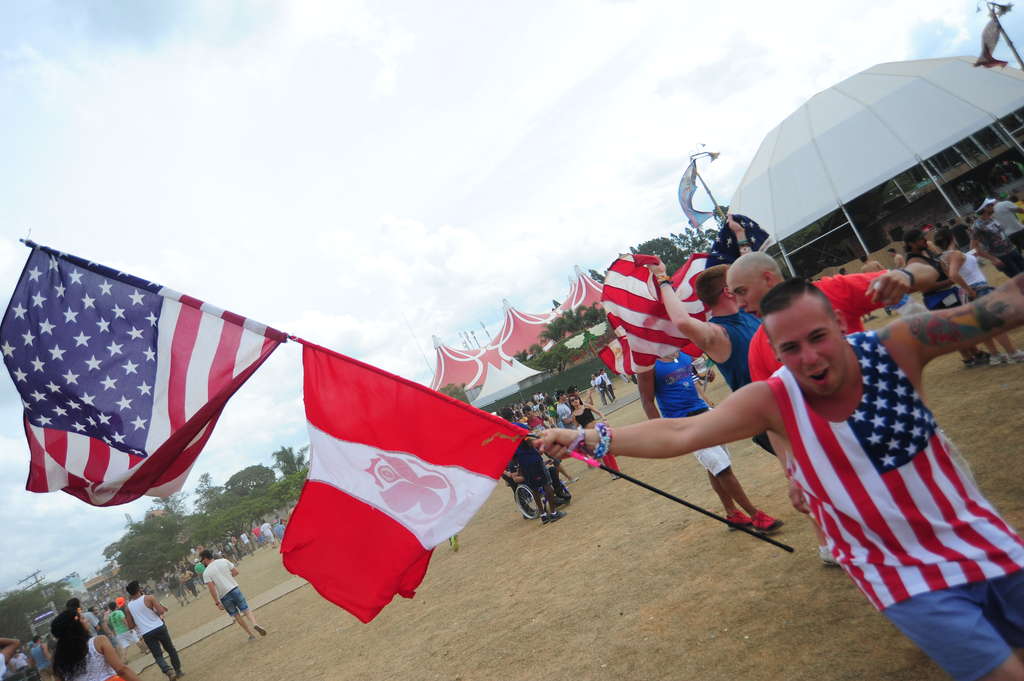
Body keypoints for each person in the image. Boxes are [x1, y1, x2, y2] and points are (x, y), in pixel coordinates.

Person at [538, 274, 1024, 681]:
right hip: (903, 577)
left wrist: (914, 274)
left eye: (818, 338)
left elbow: (1003, 304)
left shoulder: (897, 347)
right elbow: (681, 432)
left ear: (839, 324)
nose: (810, 358)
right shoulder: (773, 399)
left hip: (986, 542)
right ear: (773, 349)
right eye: (790, 348)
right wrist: (584, 438)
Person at [725, 251, 942, 383]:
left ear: (768, 279)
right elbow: (774, 417)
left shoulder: (831, 291)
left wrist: (905, 275)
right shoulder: (757, 348)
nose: (740, 304)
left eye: (742, 291)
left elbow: (928, 273)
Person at [650, 349, 782, 532]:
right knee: (722, 467)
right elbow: (647, 401)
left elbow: (694, 378)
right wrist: (659, 431)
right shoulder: (649, 365)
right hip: (683, 423)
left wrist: (706, 376)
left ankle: (732, 514)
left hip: (704, 413)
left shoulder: (682, 354)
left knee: (715, 467)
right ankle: (755, 515)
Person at [933, 227, 1024, 364]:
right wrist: (970, 290)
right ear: (952, 237)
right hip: (977, 289)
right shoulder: (955, 254)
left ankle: (995, 355)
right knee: (995, 324)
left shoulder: (944, 258)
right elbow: (953, 275)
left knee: (983, 327)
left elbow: (954, 276)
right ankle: (1013, 353)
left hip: (965, 293)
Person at [499, 407, 565, 524]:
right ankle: (554, 512)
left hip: (522, 463)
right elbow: (531, 441)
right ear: (513, 415)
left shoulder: (504, 433)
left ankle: (543, 515)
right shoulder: (520, 426)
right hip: (533, 459)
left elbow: (510, 453)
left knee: (534, 488)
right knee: (546, 484)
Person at [49, 609, 142, 681]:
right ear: (75, 625)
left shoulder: (57, 659)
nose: (86, 621)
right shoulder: (98, 642)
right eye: (83, 618)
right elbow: (121, 670)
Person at [199, 549, 267, 641]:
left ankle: (250, 634)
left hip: (224, 596)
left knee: (236, 615)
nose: (202, 562)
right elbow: (236, 572)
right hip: (234, 588)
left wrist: (217, 602)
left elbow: (212, 589)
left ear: (205, 559)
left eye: (202, 560)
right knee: (246, 609)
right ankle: (254, 623)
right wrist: (227, 577)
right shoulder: (223, 561)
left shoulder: (206, 573)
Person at [123, 580, 182, 680]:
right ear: (138, 589)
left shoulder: (128, 607)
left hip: (146, 633)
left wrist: (139, 620)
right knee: (171, 649)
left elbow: (130, 625)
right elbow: (161, 611)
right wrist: (154, 611)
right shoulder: (149, 598)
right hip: (159, 627)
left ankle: (168, 671)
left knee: (157, 655)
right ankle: (178, 671)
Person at [973, 198, 1024, 278]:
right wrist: (993, 259)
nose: (994, 206)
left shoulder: (992, 218)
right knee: (1019, 280)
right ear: (985, 208)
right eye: (991, 205)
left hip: (1012, 250)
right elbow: (974, 247)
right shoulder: (977, 226)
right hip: (1001, 257)